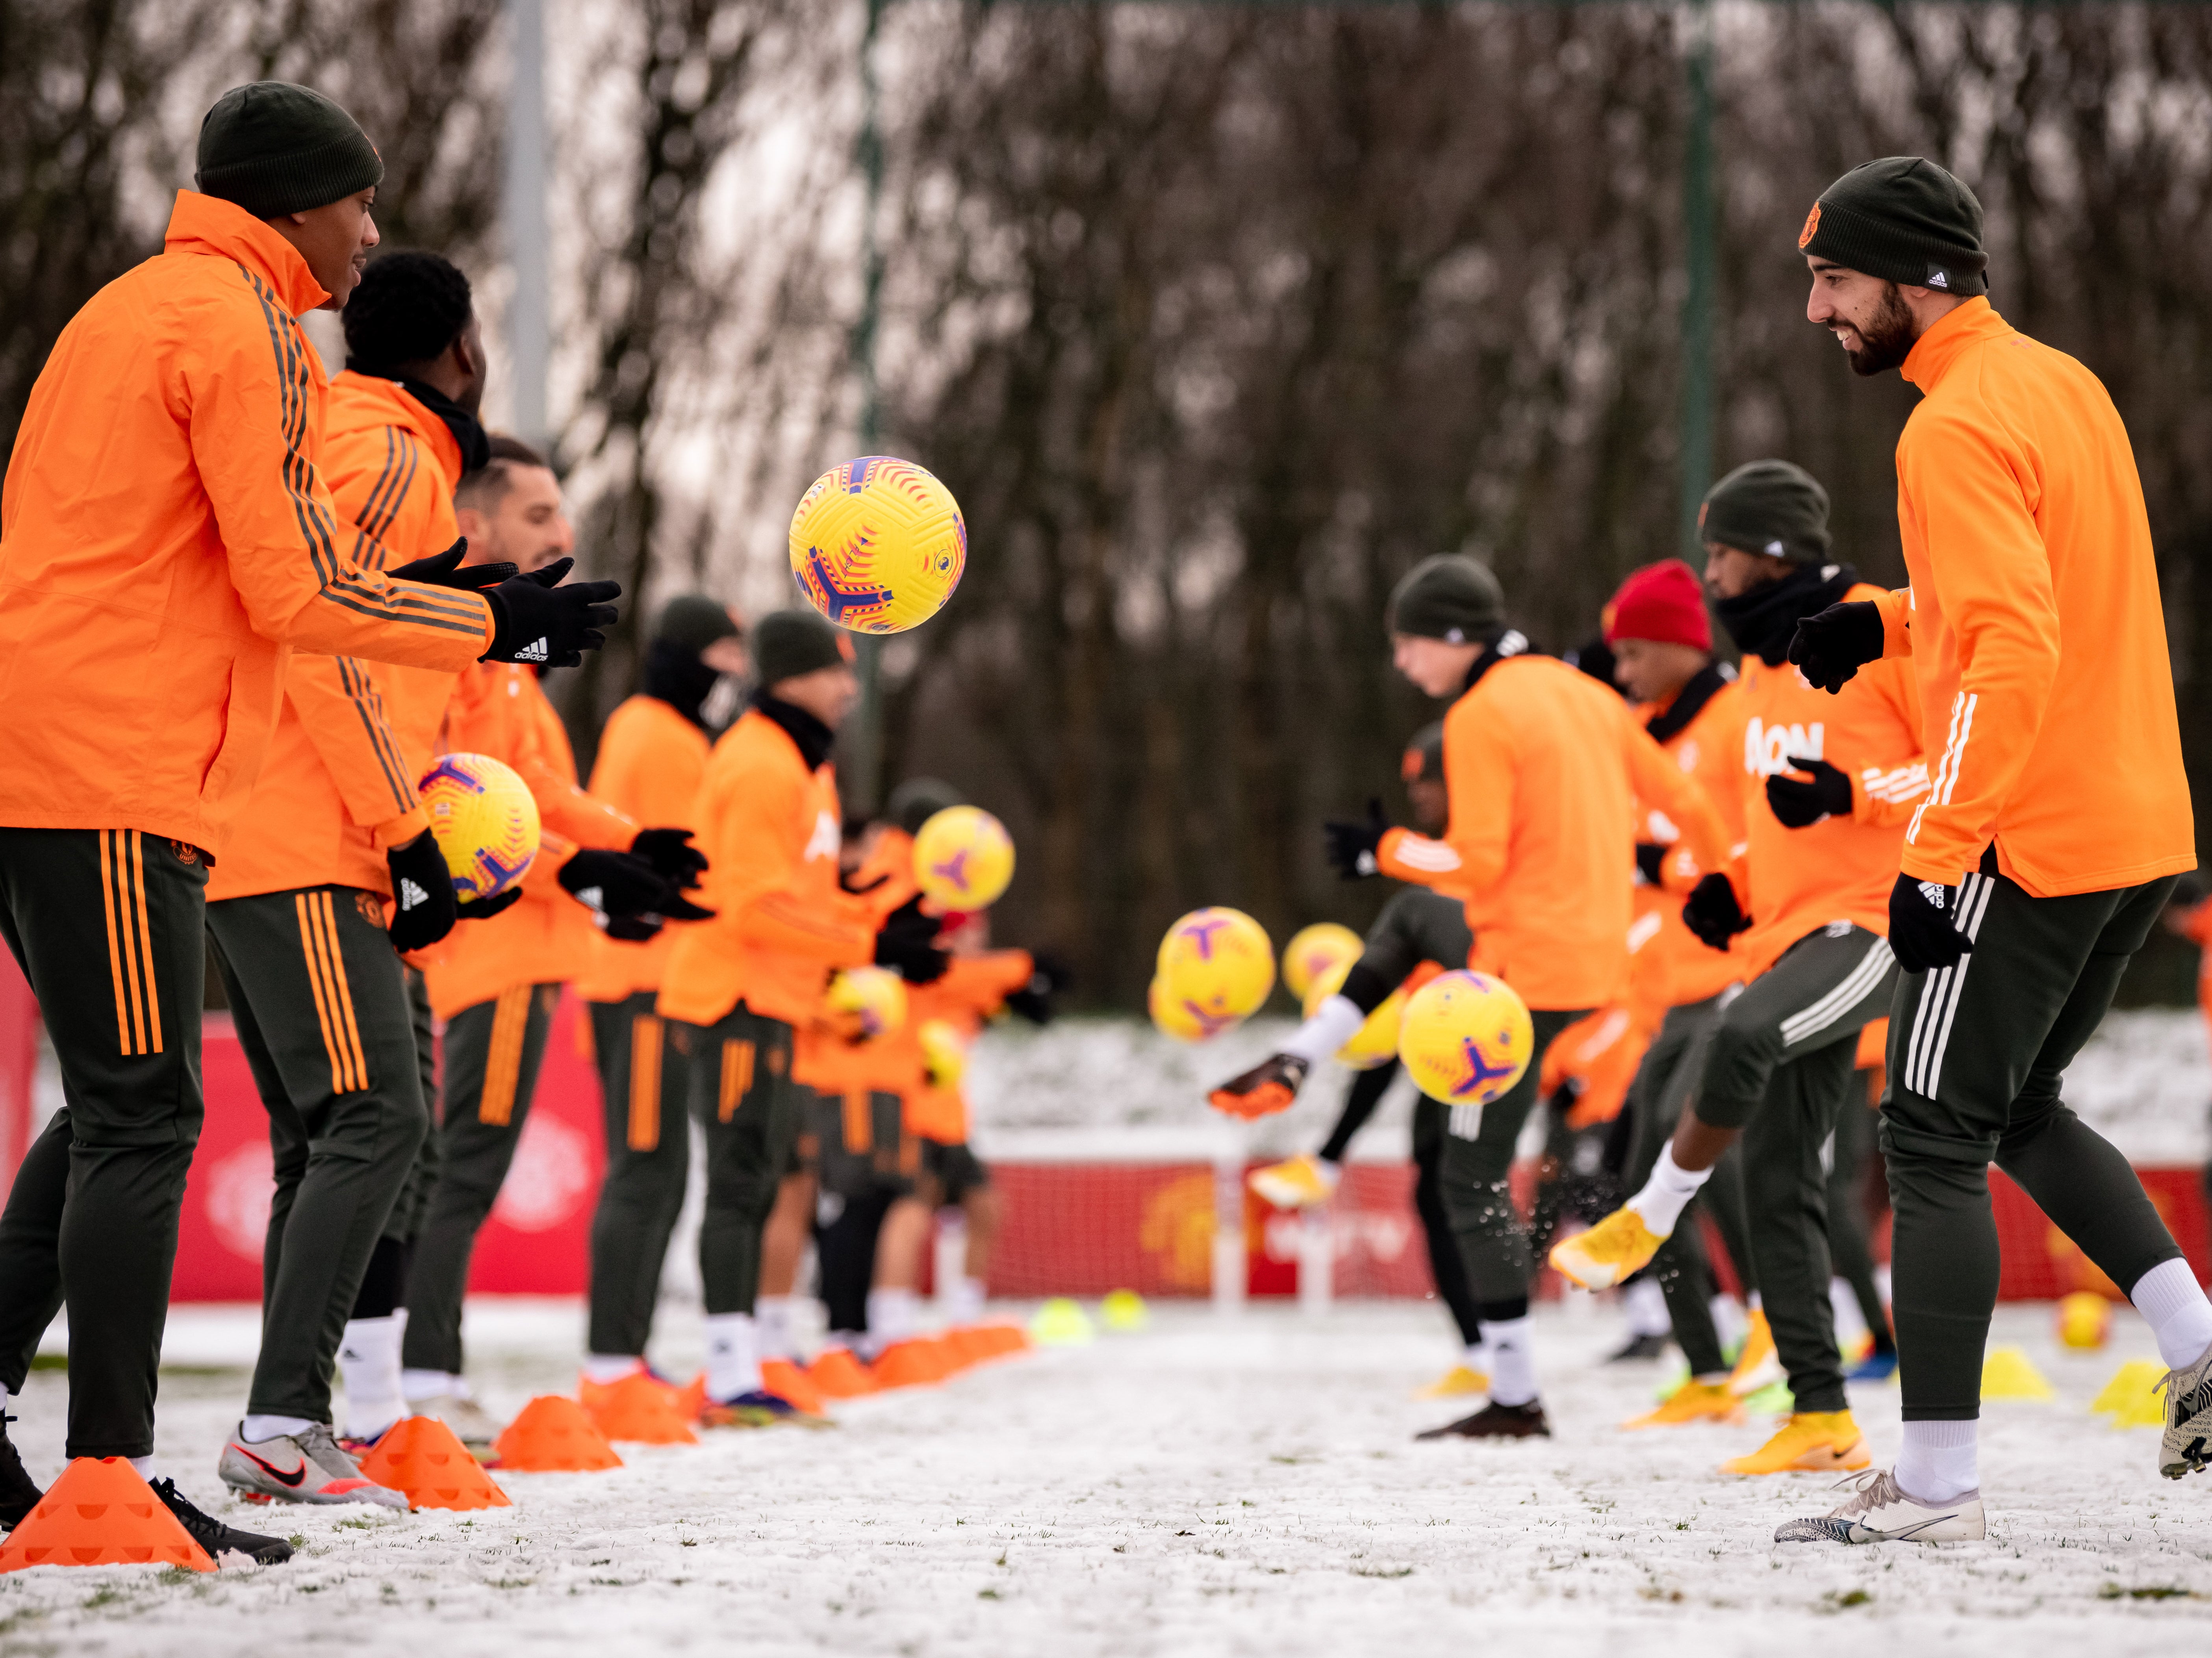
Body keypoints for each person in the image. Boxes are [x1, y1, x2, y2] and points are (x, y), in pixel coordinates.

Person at [0, 82, 615, 1562]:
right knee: (172, 1115)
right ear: (293, 204)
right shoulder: (240, 327)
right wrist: (490, 620)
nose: (372, 233)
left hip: (72, 745)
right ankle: (122, 1470)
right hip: (117, 763)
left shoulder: (128, 308)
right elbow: (303, 598)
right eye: (360, 202)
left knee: (109, 1104)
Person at [1772, 157, 2207, 1543]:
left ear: (1907, 280)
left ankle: (1936, 1490)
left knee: (1929, 1128)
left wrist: (1933, 849)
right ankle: (2197, 1345)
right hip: (2135, 819)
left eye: (1832, 281)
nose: (1813, 310)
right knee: (2011, 1107)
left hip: (2025, 830)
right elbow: (2036, 587)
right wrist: (1887, 621)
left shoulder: (1945, 425)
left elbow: (2013, 649)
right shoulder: (2055, 381)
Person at [1212, 556, 1731, 1439]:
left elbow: (1475, 861)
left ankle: (1516, 1392)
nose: (1404, 665)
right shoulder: (1587, 692)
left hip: (1523, 980)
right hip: (1601, 964)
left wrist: (1388, 849)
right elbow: (1687, 801)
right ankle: (1307, 1049)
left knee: (1467, 1177)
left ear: (1455, 637)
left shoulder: (1482, 713)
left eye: (1408, 645)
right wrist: (1723, 887)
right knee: (1417, 920)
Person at [204, 249, 505, 1507]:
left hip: (284, 836)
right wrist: (403, 832)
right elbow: (319, 641)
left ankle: (293, 1423)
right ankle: (283, 1421)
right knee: (381, 1118)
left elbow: (360, 629)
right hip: (306, 842)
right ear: (460, 350)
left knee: (322, 1139)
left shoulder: (384, 450)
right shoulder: (382, 450)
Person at [1556, 461, 1926, 1478]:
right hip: (1789, 932)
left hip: (1886, 922)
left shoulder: (1874, 625)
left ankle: (1653, 1211)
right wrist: (1727, 881)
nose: (1707, 573)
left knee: (1740, 1036)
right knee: (1774, 1176)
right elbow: (1772, 821)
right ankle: (1819, 1415)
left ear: (1768, 552)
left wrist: (1850, 790)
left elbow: (1958, 769)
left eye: (1717, 553)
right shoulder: (1767, 668)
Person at [398, 439, 698, 1448]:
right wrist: (570, 870)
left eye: (564, 518)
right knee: (459, 1167)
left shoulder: (512, 659)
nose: (564, 537)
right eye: (540, 517)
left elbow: (546, 796)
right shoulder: (462, 642)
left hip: (527, 946)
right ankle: (422, 1377)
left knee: (454, 1164)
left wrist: (628, 844)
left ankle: (421, 1369)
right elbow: (452, 796)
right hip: (496, 952)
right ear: (473, 524)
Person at [658, 610, 949, 1424]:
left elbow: (810, 896)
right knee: (742, 1178)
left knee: (767, 1180)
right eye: (836, 671)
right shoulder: (759, 762)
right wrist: (872, 939)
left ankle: (754, 1354)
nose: (850, 688)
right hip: (734, 998)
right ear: (790, 675)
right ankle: (727, 1370)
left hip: (781, 1002)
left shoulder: (804, 764)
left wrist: (882, 920)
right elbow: (751, 907)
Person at [1244, 727, 1491, 1398]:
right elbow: (1389, 1049)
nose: (1415, 792)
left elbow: (1476, 871)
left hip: (1519, 1040)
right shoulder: (1443, 885)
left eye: (1426, 779)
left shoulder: (1477, 861)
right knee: (1441, 1192)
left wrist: (1389, 853)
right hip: (1466, 1049)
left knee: (1467, 1194)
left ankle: (1506, 1357)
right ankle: (1487, 1353)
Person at [575, 596, 746, 1393]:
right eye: (725, 653)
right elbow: (700, 865)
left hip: (651, 981)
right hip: (644, 980)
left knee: (663, 1171)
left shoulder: (657, 728)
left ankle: (627, 1353)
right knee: (647, 1167)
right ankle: (613, 1360)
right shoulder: (662, 735)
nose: (735, 672)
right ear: (687, 655)